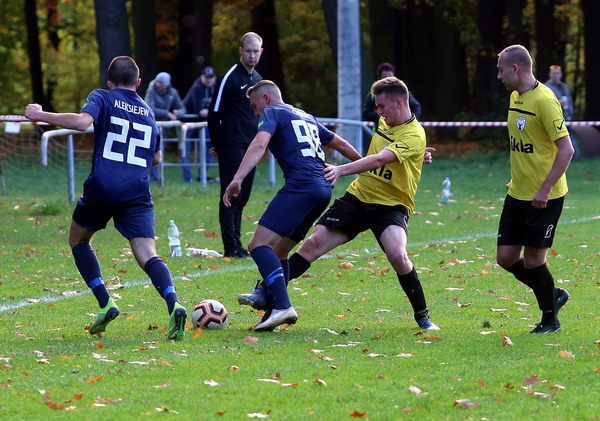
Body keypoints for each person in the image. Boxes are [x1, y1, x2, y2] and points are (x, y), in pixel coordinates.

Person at [238, 77, 440, 331]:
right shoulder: (386, 121)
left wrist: (342, 169)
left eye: (381, 106)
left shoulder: (415, 134)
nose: (378, 112)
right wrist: (418, 154)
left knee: (398, 255)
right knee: (311, 246)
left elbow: (379, 159)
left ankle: (422, 315)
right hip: (358, 197)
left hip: (391, 205)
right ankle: (268, 295)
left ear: (399, 103)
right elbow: (371, 152)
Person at [24, 56, 187, 341]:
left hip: (103, 186)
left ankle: (105, 302)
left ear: (110, 82)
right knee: (148, 253)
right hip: (137, 191)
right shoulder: (149, 112)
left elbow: (81, 122)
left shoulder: (102, 97)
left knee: (78, 240)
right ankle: (174, 303)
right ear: (138, 82)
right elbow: (157, 158)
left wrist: (40, 114)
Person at [223, 80, 361, 331]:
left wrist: (237, 179)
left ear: (266, 98)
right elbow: (340, 144)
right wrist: (364, 166)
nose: (255, 113)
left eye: (254, 106)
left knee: (258, 245)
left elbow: (259, 145)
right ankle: (272, 312)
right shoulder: (306, 116)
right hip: (322, 189)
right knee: (280, 252)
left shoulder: (273, 112)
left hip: (302, 186)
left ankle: (282, 306)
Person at [496, 45, 574, 334]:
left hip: (545, 197)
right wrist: (517, 178)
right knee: (505, 258)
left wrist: (544, 189)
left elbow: (566, 150)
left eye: (501, 70)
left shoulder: (545, 100)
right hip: (517, 192)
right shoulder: (515, 96)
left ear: (515, 68)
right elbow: (525, 145)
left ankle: (550, 319)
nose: (499, 76)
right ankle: (553, 294)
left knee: (533, 261)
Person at [208, 32, 263, 258]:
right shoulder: (229, 77)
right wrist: (218, 144)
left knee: (244, 196)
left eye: (256, 51)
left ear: (261, 52)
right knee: (230, 194)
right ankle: (230, 247)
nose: (252, 56)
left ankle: (238, 245)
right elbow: (214, 113)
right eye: (248, 51)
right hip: (231, 144)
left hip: (251, 146)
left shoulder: (258, 79)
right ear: (241, 51)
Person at [145, 72, 186, 184]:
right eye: (157, 81)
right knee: (151, 152)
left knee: (159, 152)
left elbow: (183, 108)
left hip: (163, 128)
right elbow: (149, 108)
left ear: (166, 84)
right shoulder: (151, 90)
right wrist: (167, 113)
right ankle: (153, 179)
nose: (157, 84)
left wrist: (178, 113)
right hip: (151, 125)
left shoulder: (172, 92)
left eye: (160, 82)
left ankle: (158, 179)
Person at [181, 66, 217, 184]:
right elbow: (200, 111)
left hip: (205, 123)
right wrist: (216, 113)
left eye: (211, 77)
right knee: (184, 149)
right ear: (202, 77)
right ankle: (188, 179)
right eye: (206, 77)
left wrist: (213, 113)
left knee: (212, 146)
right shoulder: (197, 88)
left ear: (214, 78)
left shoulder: (216, 88)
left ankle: (202, 175)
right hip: (188, 122)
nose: (209, 80)